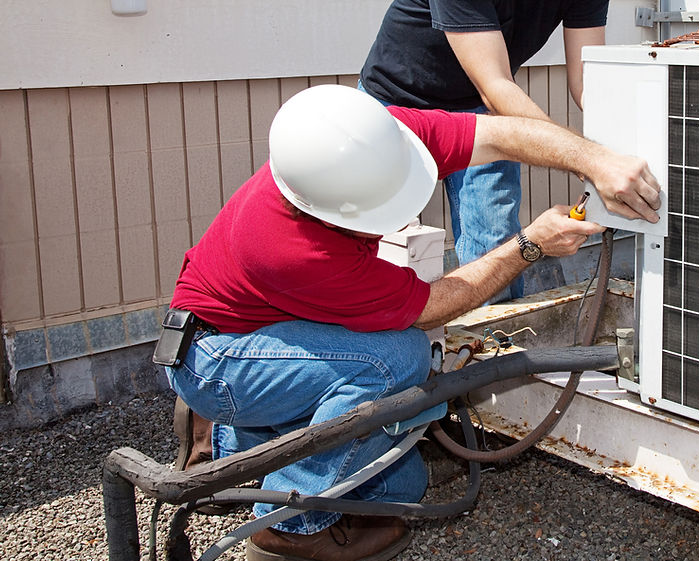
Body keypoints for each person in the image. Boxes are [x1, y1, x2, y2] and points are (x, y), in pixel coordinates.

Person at [161, 84, 659, 561]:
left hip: (258, 331)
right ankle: (286, 528)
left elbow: (502, 133)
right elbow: (432, 307)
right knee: (396, 361)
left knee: (404, 485)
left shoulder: (372, 140)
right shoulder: (294, 250)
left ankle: (226, 443)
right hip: (218, 356)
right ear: (330, 212)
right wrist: (530, 245)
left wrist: (595, 158)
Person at [358, 0, 610, 300]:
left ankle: (493, 359)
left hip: (478, 111)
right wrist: (589, 159)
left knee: (497, 244)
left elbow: (586, 81)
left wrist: (618, 147)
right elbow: (497, 83)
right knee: (364, 238)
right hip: (395, 107)